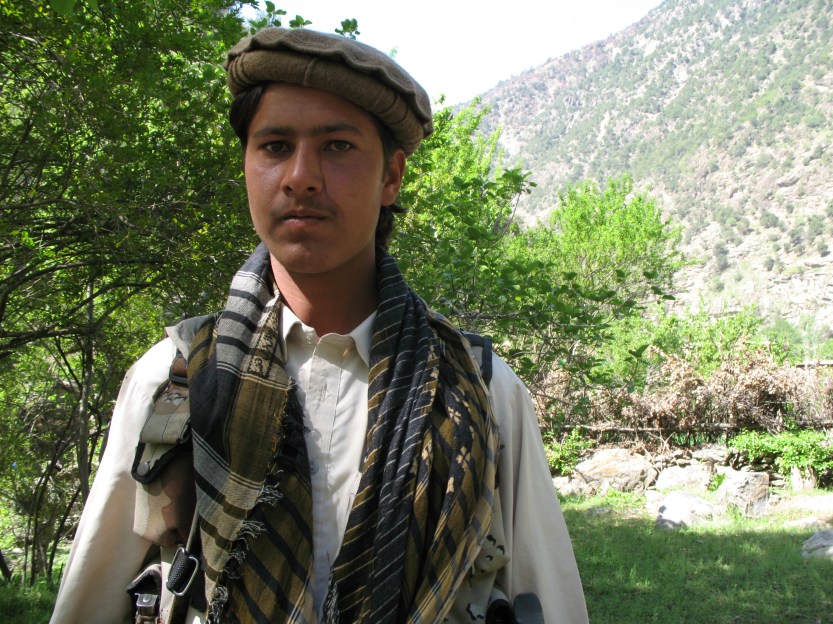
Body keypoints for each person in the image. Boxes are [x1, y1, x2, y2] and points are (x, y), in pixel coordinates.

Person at [50, 27, 588, 624]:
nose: (301, 176)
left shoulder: (480, 392)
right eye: (275, 146)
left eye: (337, 147)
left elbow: (549, 604)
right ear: (248, 168)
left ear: (391, 178)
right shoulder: (174, 379)